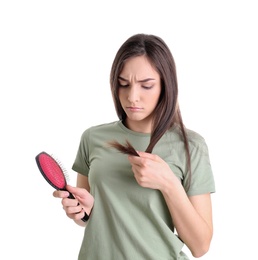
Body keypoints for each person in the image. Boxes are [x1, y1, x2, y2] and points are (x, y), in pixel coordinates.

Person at [53, 33, 215, 260]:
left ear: (165, 86)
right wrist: (81, 212)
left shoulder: (191, 146)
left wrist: (168, 183)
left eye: (146, 85)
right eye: (123, 84)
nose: (132, 97)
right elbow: (88, 218)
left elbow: (200, 246)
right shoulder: (92, 138)